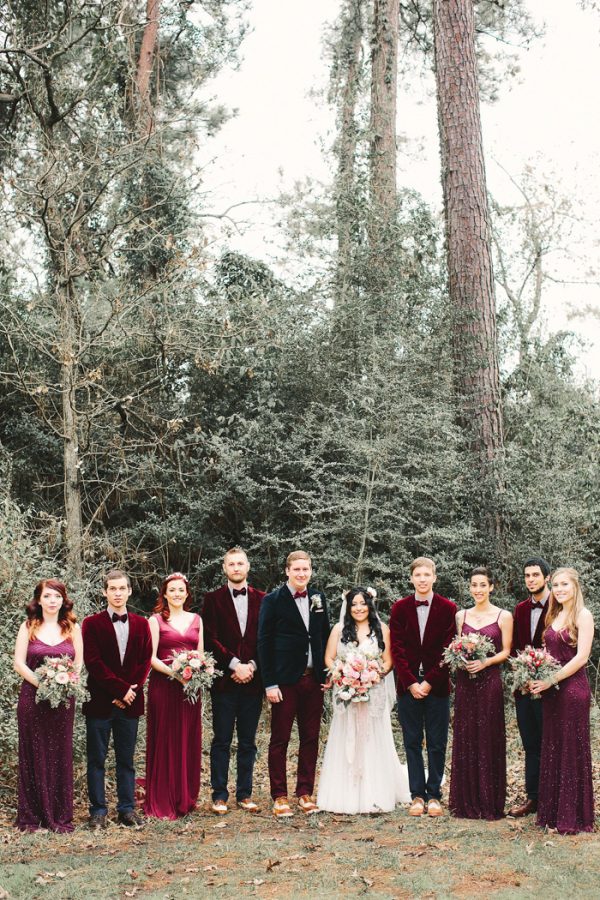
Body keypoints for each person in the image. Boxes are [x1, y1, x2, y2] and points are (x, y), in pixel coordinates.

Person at [317, 587, 410, 814]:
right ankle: (344, 794)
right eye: (354, 604)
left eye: (363, 603)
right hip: (347, 693)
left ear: (370, 604)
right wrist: (342, 672)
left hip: (373, 693)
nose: (359, 608)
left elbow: (389, 661)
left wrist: (373, 674)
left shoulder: (382, 629)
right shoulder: (339, 629)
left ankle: (375, 794)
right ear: (348, 607)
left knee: (372, 738)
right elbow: (329, 658)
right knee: (347, 736)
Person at [257, 550, 330, 818]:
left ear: (311, 570)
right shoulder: (273, 600)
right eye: (296, 569)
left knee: (310, 738)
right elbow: (263, 643)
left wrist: (327, 673)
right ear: (287, 571)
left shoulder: (319, 598)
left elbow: (323, 635)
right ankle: (279, 796)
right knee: (280, 738)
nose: (301, 574)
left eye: (306, 569)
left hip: (314, 680)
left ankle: (305, 792)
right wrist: (269, 683)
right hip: (284, 681)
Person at [82, 569, 152, 829]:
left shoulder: (142, 624)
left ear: (130, 591)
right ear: (104, 592)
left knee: (126, 760)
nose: (118, 593)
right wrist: (120, 690)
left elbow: (145, 662)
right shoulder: (91, 623)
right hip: (100, 703)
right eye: (113, 588)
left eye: (122, 588)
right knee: (96, 760)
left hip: (130, 705)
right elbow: (94, 662)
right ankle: (98, 811)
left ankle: (126, 809)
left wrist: (128, 693)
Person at [389, 557, 457, 817]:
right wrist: (410, 683)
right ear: (411, 578)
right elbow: (397, 648)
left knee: (437, 743)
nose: (422, 579)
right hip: (407, 688)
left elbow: (449, 649)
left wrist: (428, 681)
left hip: (437, 687)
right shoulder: (399, 608)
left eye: (427, 574)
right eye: (418, 575)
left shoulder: (448, 608)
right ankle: (416, 795)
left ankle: (435, 795)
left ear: (434, 577)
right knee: (412, 741)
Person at [14, 579, 83, 832]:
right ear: (39, 599)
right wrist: (42, 684)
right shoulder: (29, 626)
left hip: (63, 701)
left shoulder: (72, 628)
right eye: (48, 596)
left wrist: (64, 685)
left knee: (59, 754)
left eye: (57, 596)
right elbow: (19, 663)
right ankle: (32, 815)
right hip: (32, 699)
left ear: (63, 600)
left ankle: (59, 814)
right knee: (34, 752)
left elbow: (78, 664)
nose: (52, 600)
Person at [531, 567, 594, 834]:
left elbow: (581, 658)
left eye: (565, 584)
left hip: (572, 691)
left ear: (575, 586)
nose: (559, 589)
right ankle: (553, 812)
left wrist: (551, 679)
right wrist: (534, 673)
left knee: (571, 749)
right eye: (555, 585)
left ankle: (574, 815)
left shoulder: (583, 615)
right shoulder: (553, 614)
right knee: (553, 746)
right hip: (552, 692)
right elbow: (547, 653)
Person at [202, 548, 265, 815]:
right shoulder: (212, 599)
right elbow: (210, 637)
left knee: (248, 741)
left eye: (240, 563)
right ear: (224, 568)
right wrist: (233, 665)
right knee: (222, 739)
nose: (236, 568)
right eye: (231, 564)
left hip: (253, 679)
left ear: (248, 566)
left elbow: (267, 637)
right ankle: (219, 795)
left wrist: (251, 665)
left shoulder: (264, 599)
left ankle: (245, 793)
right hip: (224, 683)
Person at [449, 566, 513, 820]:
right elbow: (456, 646)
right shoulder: (460, 616)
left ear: (491, 587)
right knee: (466, 735)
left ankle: (489, 801)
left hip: (490, 682)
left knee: (488, 736)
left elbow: (507, 650)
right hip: (466, 682)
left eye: (483, 585)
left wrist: (485, 662)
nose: (478, 590)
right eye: (474, 585)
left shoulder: (503, 616)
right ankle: (466, 801)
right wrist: (461, 659)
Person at [144, 573, 203, 819]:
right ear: (165, 594)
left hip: (190, 689)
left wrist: (195, 670)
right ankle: (163, 797)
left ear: (187, 594)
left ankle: (184, 796)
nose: (177, 594)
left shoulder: (197, 619)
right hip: (164, 686)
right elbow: (151, 657)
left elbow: (200, 653)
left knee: (187, 737)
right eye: (172, 590)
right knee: (166, 737)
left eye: (181, 590)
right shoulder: (155, 620)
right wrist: (175, 673)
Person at [508, 557, 551, 818]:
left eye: (536, 575)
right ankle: (533, 798)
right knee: (531, 744)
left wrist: (545, 678)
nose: (531, 579)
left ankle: (552, 796)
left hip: (551, 689)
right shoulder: (521, 609)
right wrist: (521, 675)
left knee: (552, 743)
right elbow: (514, 648)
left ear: (547, 577)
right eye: (527, 575)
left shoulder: (559, 606)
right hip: (524, 690)